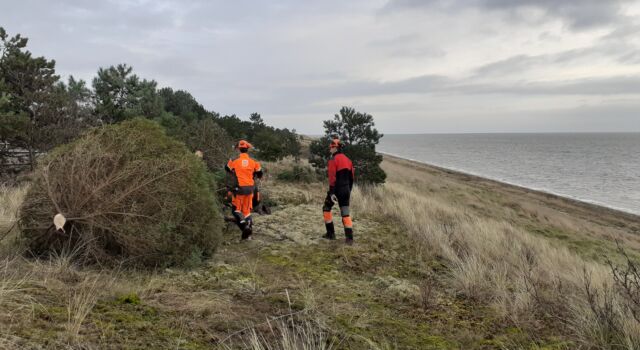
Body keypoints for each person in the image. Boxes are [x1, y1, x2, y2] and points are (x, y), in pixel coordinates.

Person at [225, 140, 263, 240]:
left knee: (236, 210)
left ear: (238, 149)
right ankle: (248, 235)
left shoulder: (234, 160)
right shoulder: (254, 162)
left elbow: (227, 168)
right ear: (247, 149)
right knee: (246, 211)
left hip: (239, 189)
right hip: (251, 189)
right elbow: (260, 174)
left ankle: (245, 226)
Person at [322, 138, 355, 244]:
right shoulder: (349, 160)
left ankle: (331, 234)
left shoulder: (333, 160)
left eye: (331, 147)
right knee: (345, 213)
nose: (330, 149)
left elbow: (332, 178)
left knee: (326, 208)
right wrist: (348, 190)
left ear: (336, 147)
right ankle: (349, 239)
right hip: (346, 190)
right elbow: (352, 178)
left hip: (336, 190)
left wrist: (332, 192)